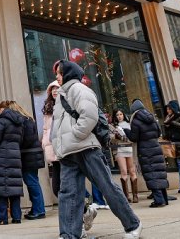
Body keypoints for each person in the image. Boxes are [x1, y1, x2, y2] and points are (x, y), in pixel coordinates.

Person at [51, 60, 142, 239]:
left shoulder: (79, 89)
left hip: (86, 148)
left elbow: (89, 116)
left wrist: (75, 135)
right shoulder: (61, 97)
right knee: (68, 194)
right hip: (68, 153)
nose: (56, 77)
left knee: (107, 187)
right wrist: (58, 145)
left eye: (59, 73)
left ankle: (133, 224)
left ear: (68, 73)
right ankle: (69, 235)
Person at [126, 99, 169, 207]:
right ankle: (164, 199)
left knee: (151, 174)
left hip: (145, 149)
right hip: (156, 147)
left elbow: (134, 138)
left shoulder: (135, 120)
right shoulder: (152, 117)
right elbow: (159, 132)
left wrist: (126, 132)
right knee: (159, 173)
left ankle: (159, 200)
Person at [0, 100, 25, 225]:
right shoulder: (19, 121)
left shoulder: (3, 120)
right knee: (14, 188)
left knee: (2, 188)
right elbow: (21, 139)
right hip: (15, 154)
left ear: (2, 110)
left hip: (3, 155)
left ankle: (2, 218)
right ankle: (17, 217)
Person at [9, 101, 46, 220]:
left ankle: (39, 210)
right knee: (32, 182)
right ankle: (36, 208)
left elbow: (27, 139)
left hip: (29, 156)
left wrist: (17, 145)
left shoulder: (24, 121)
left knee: (32, 183)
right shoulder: (28, 119)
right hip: (32, 155)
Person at [112, 109, 139, 203]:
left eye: (121, 114)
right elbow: (111, 139)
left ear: (123, 115)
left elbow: (133, 138)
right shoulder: (114, 126)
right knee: (123, 172)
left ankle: (135, 195)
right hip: (120, 150)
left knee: (132, 171)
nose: (119, 116)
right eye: (117, 115)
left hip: (130, 149)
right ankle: (126, 196)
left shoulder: (129, 125)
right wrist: (116, 137)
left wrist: (125, 137)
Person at [41, 81, 60, 199]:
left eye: (57, 88)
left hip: (65, 148)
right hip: (52, 149)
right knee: (57, 188)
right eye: (52, 89)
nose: (54, 90)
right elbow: (45, 129)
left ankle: (82, 209)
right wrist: (44, 142)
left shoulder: (66, 104)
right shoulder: (49, 109)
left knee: (67, 184)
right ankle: (84, 208)